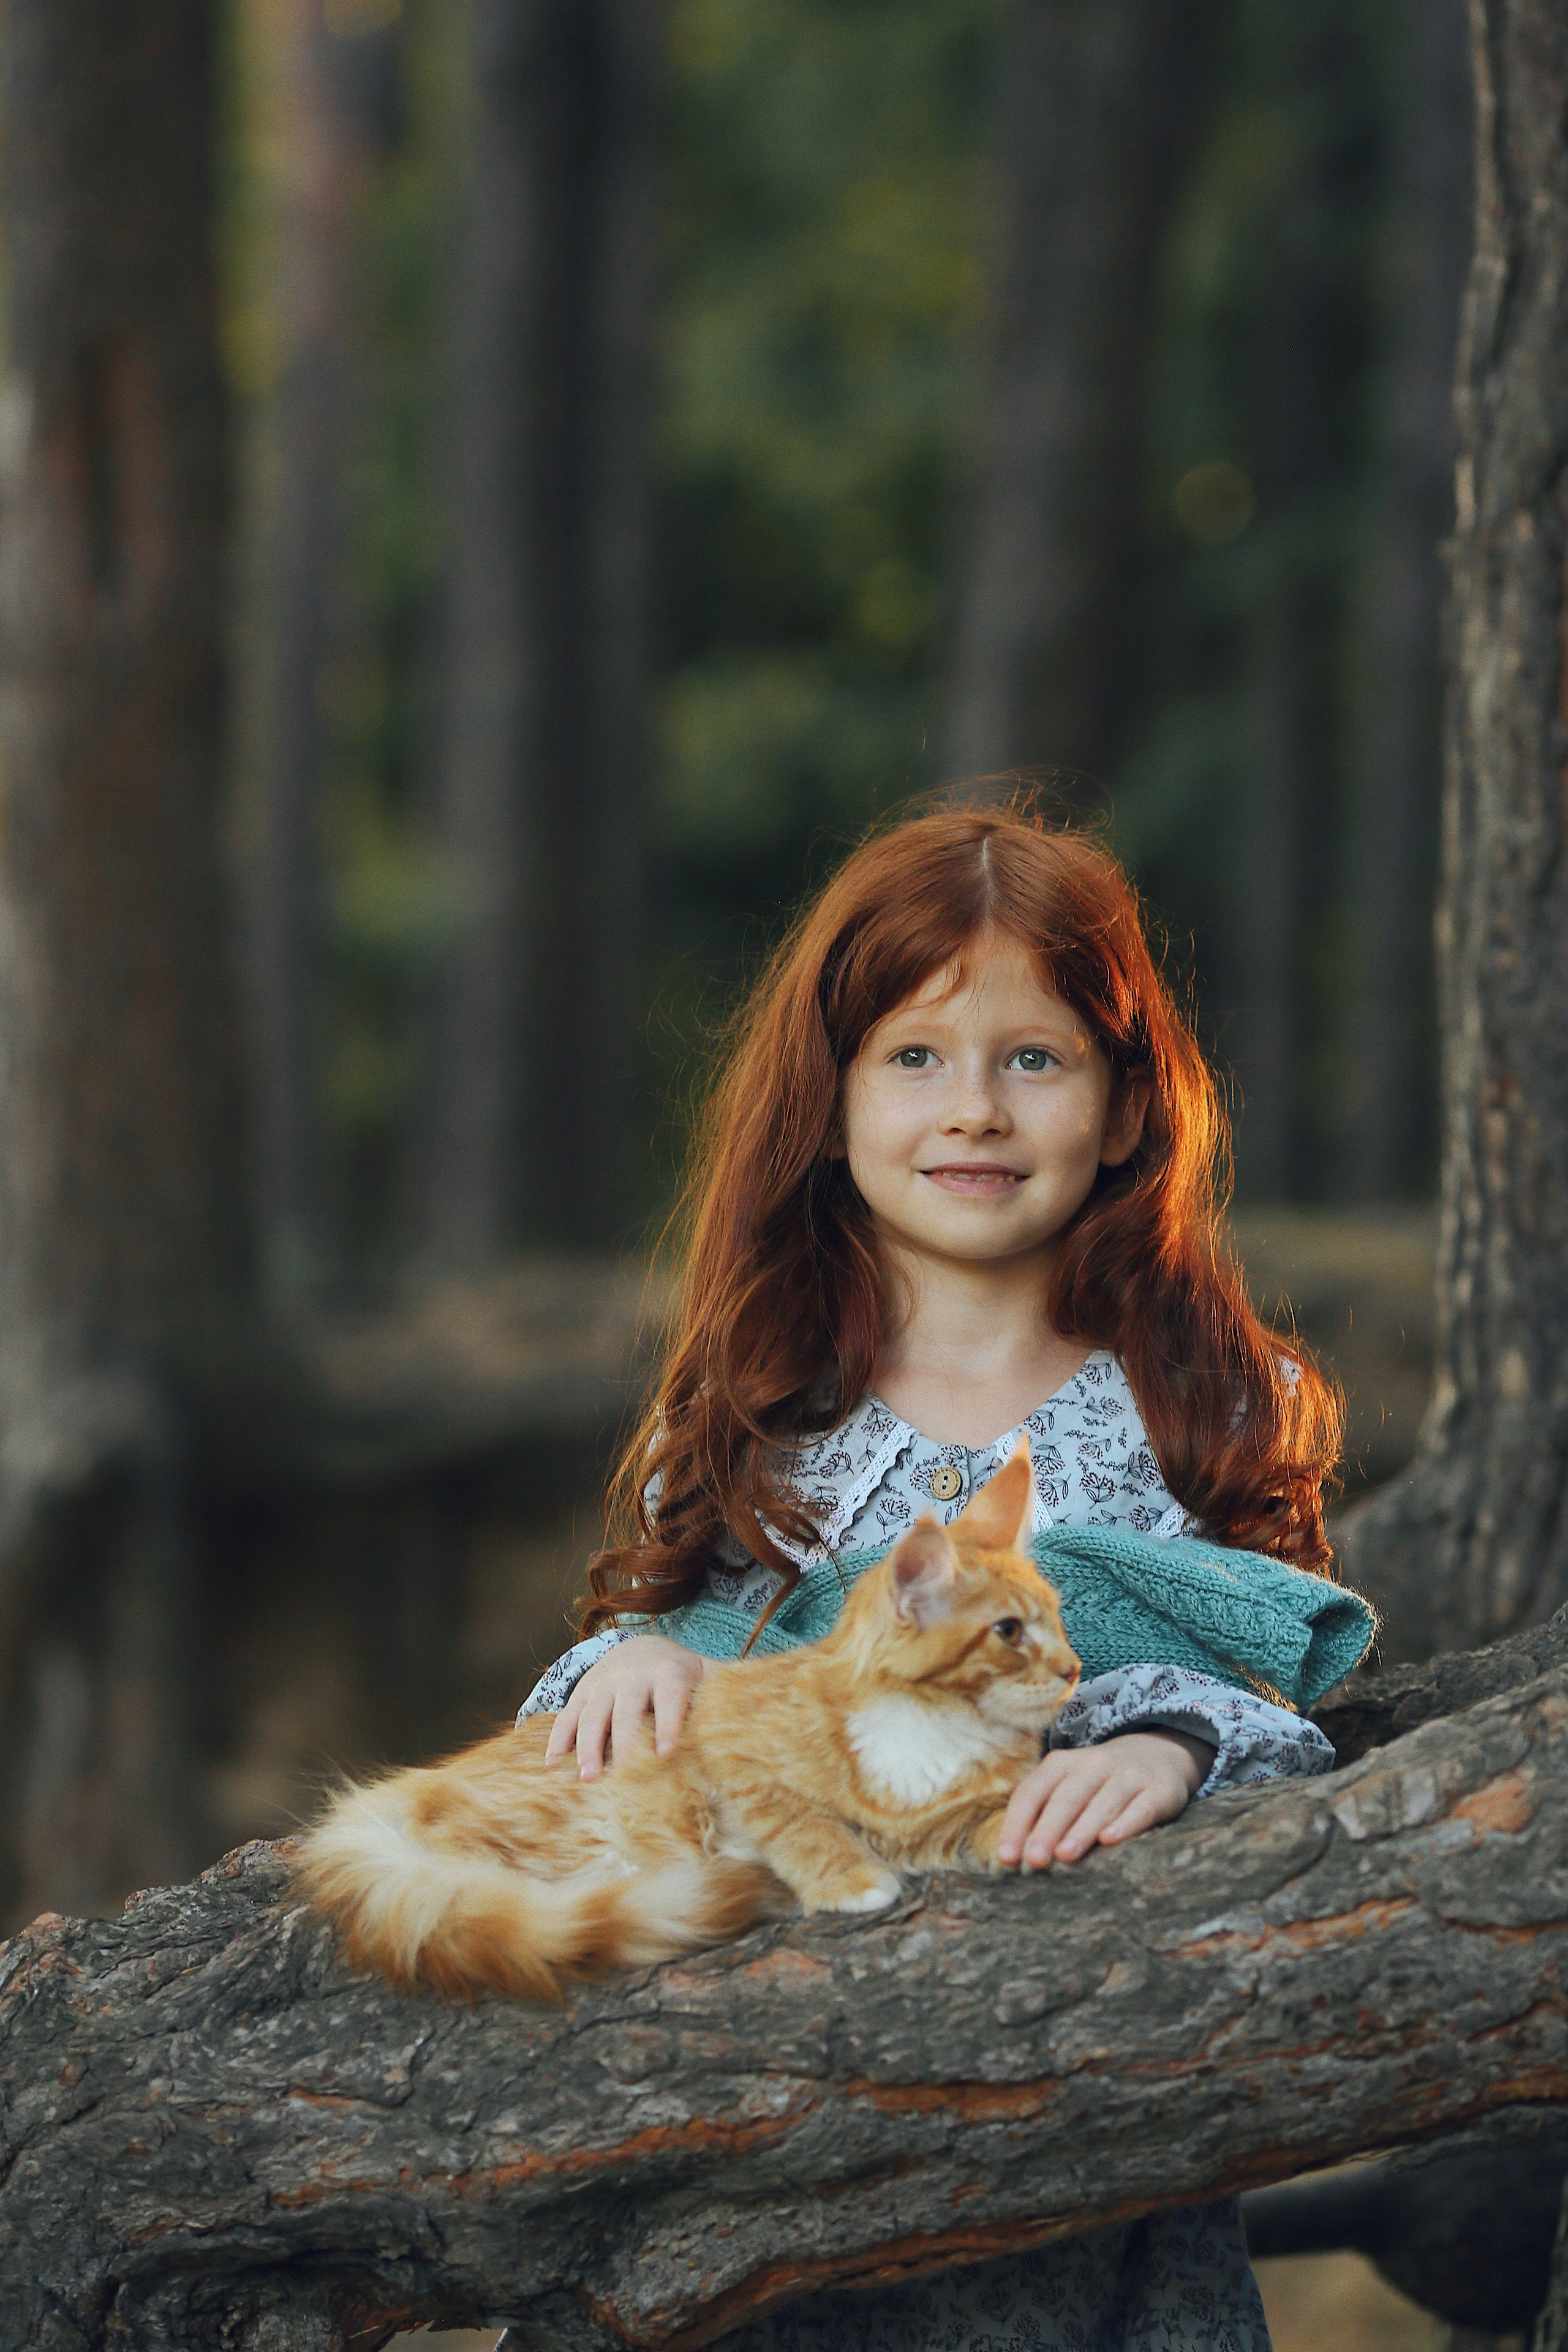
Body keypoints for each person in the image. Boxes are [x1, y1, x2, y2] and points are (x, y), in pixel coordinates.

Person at [521, 804, 1349, 2351]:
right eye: (912, 1056)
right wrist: (627, 1663)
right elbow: (612, 1723)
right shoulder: (752, 1412)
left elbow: (1284, 1701)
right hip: (744, 2162)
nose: (972, 1109)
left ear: (1123, 1106)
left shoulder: (1211, 1411)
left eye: (1032, 1058)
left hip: (1072, 2170)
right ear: (828, 1100)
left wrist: (1171, 1747)